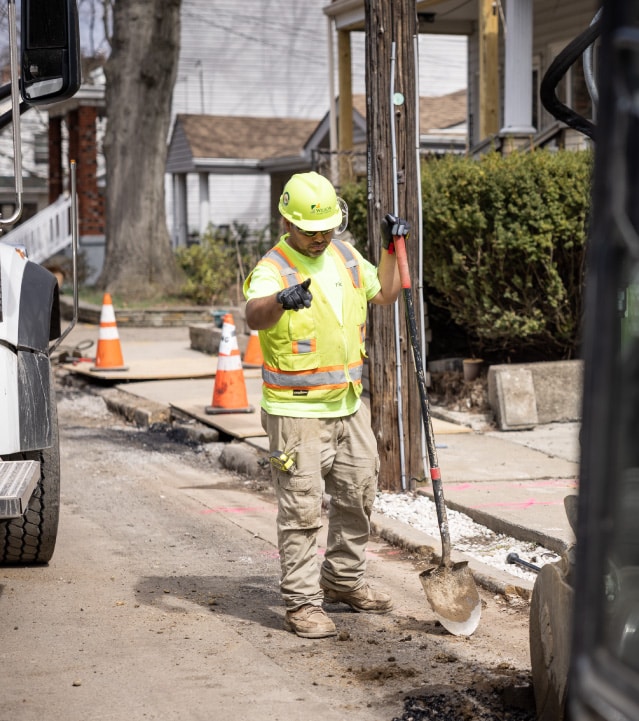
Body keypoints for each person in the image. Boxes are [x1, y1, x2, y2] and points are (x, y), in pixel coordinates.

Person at [243, 171, 410, 639]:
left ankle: (343, 582)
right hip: (296, 413)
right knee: (301, 510)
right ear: (287, 222)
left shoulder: (344, 254)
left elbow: (388, 294)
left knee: (359, 494)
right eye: (309, 231)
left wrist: (391, 248)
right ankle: (302, 604)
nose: (319, 239)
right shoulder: (274, 267)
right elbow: (253, 313)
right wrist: (280, 301)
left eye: (326, 229)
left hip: (348, 403)